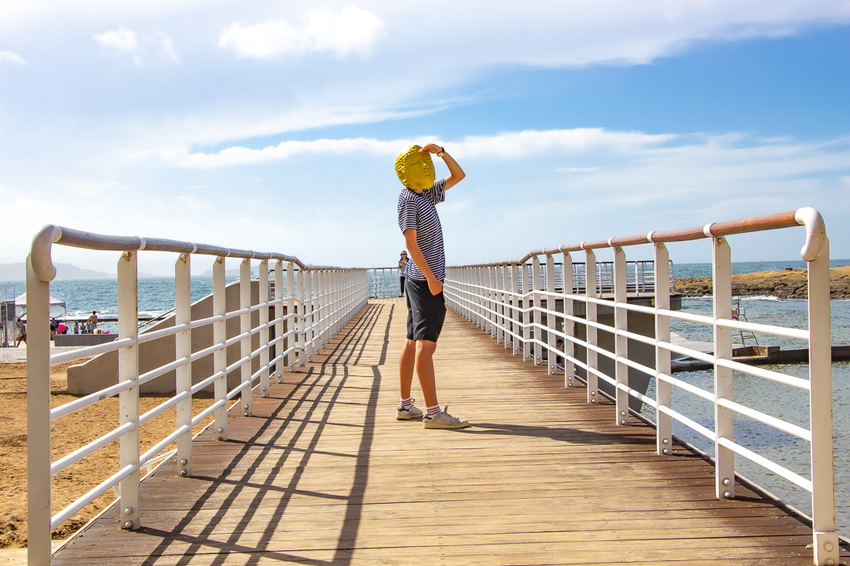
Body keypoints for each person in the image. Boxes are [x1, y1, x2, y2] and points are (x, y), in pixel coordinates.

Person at [396, 143, 470, 429]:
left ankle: (405, 407)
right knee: (426, 346)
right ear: (406, 172)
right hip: (423, 279)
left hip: (421, 278)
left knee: (413, 340)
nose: (427, 169)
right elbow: (410, 244)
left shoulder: (425, 194)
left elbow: (458, 175)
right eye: (421, 164)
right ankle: (433, 413)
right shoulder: (408, 199)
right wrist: (431, 278)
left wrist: (441, 152)